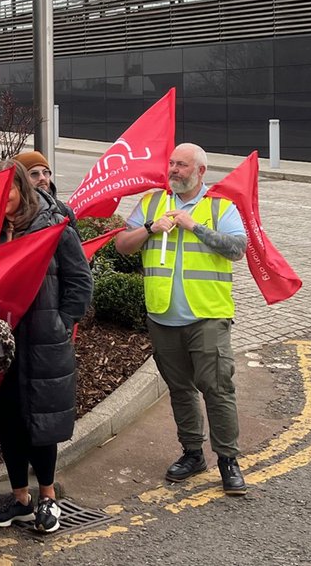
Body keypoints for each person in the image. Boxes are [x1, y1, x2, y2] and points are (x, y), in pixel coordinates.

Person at [114, 142, 249, 495]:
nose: (173, 170)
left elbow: (237, 249)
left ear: (200, 171)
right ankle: (192, 453)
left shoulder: (219, 206)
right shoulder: (153, 203)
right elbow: (122, 244)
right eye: (171, 163)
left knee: (217, 388)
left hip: (207, 316)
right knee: (180, 390)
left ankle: (228, 460)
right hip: (162, 317)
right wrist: (148, 228)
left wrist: (195, 227)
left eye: (182, 165)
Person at [0, 161, 92, 534]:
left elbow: (80, 280)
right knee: (10, 419)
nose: (3, 201)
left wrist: (62, 322)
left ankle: (48, 496)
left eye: (8, 192)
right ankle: (20, 499)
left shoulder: (53, 224)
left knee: (42, 421)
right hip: (3, 342)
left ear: (21, 188)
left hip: (44, 339)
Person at [13, 150, 77, 229]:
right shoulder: (11, 213)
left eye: (45, 172)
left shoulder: (63, 210)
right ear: (21, 179)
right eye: (34, 174)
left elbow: (75, 240)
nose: (42, 178)